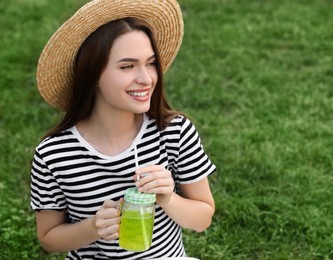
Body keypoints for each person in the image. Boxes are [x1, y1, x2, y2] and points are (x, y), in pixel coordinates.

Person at [30, 0, 216, 259]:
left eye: (150, 63)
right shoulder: (54, 154)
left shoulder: (174, 133)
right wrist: (93, 227)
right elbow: (49, 237)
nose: (146, 78)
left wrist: (168, 199)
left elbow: (202, 218)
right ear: (92, 75)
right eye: (127, 66)